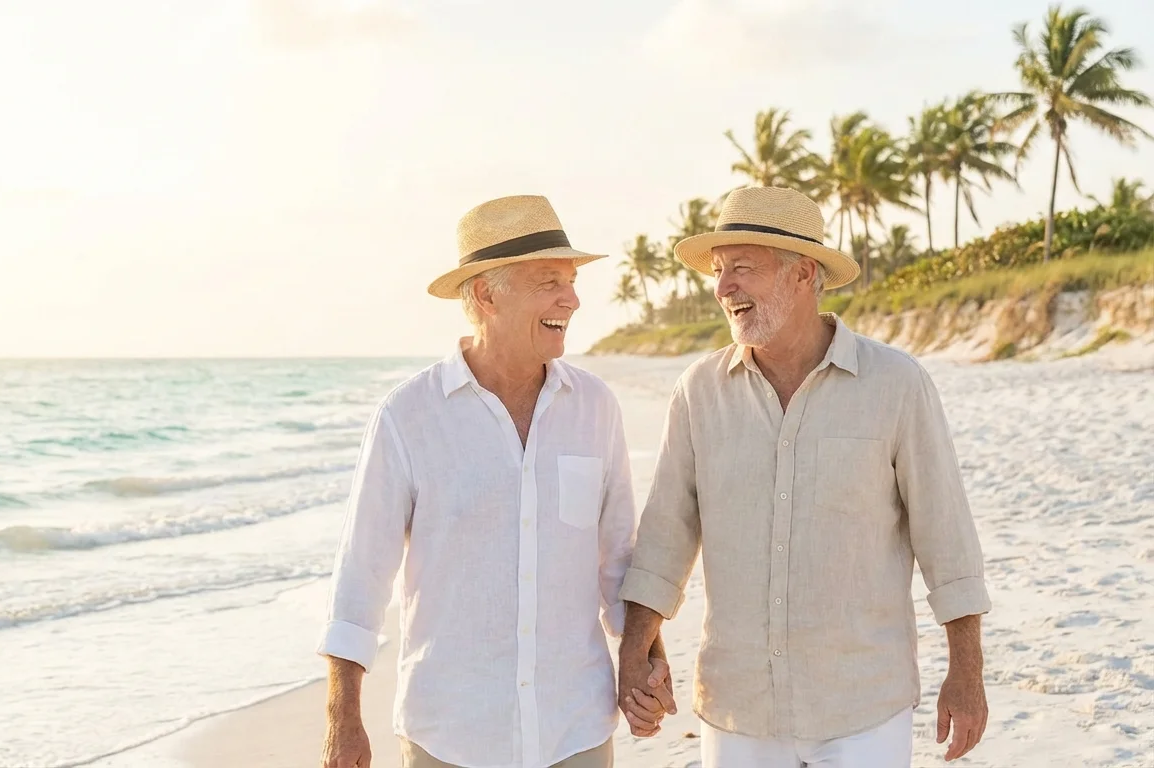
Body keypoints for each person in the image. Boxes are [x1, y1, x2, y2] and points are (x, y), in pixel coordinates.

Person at [617, 186, 991, 767]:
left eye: (742, 268)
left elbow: (948, 540)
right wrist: (636, 650)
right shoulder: (699, 392)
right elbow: (665, 535)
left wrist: (966, 675)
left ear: (803, 274)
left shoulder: (895, 384)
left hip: (864, 708)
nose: (723, 289)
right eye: (718, 272)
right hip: (739, 709)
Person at [318, 194, 673, 768]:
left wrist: (644, 656)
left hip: (574, 729)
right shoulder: (408, 416)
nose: (573, 298)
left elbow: (618, 562)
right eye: (549, 281)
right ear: (486, 293)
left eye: (572, 281)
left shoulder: (596, 407)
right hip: (450, 736)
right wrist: (342, 719)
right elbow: (360, 577)